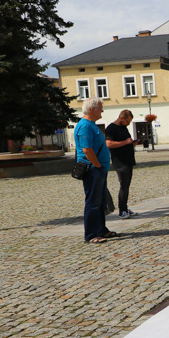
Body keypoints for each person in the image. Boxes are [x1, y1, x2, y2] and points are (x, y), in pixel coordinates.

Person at [74, 98, 117, 244]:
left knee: (100, 202)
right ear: (92, 109)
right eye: (100, 108)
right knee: (93, 202)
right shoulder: (85, 126)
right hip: (92, 170)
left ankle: (101, 230)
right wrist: (98, 166)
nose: (102, 110)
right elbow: (87, 150)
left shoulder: (91, 125)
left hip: (99, 169)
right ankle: (91, 234)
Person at [105, 109, 139, 219]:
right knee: (123, 185)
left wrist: (131, 144)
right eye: (127, 121)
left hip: (128, 159)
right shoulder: (111, 128)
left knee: (127, 185)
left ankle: (124, 207)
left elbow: (125, 141)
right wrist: (126, 142)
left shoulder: (123, 127)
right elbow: (109, 144)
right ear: (122, 118)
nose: (128, 124)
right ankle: (122, 211)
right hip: (120, 161)